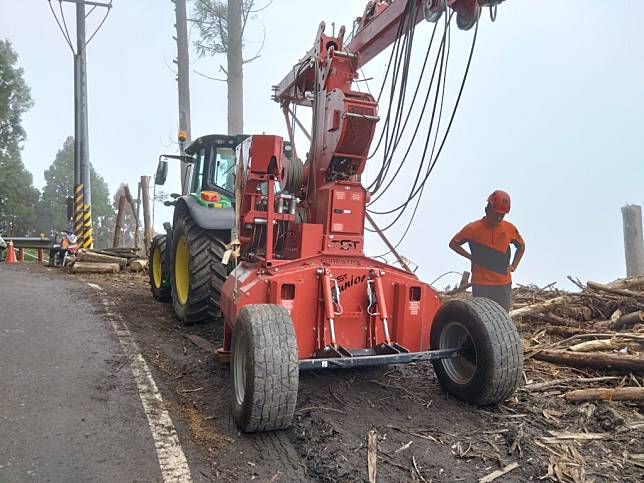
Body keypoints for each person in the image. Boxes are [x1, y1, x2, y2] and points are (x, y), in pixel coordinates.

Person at [449, 190, 525, 311]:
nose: (499, 218)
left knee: (503, 318)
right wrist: (470, 256)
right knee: (482, 319)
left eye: (502, 215)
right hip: (481, 283)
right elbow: (453, 244)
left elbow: (521, 246)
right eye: (496, 214)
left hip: (503, 283)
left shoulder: (509, 228)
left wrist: (514, 266)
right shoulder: (472, 229)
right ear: (487, 209)